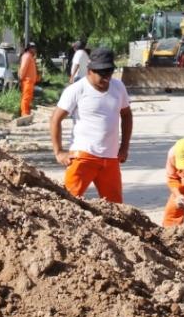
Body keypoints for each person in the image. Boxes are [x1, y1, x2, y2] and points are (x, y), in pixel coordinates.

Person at [50, 48, 132, 204]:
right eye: (102, 74)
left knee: (116, 209)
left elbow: (127, 115)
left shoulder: (118, 87)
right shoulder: (76, 90)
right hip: (83, 157)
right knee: (68, 203)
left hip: (110, 159)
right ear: (89, 71)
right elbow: (55, 119)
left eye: (109, 73)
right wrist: (59, 151)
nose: (106, 78)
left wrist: (124, 148)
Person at [18, 41, 39, 118]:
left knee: (28, 98)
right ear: (29, 49)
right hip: (27, 81)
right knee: (26, 98)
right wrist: (20, 78)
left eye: (35, 48)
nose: (35, 49)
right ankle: (24, 114)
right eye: (33, 48)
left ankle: (26, 113)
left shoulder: (30, 56)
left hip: (30, 81)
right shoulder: (27, 56)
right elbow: (23, 68)